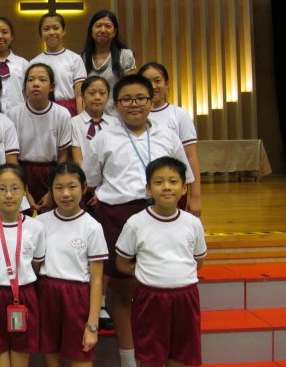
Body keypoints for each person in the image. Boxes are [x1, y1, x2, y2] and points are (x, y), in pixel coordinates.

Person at [82, 74, 194, 367]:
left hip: (160, 215)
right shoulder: (103, 138)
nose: (134, 104)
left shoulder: (168, 136)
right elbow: (90, 179)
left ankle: (159, 354)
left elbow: (184, 176)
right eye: (126, 99)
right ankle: (129, 360)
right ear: (116, 105)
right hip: (117, 216)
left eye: (140, 98)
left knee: (154, 287)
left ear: (151, 101)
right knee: (122, 289)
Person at [116, 157, 207, 367]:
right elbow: (122, 263)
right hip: (150, 299)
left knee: (182, 356)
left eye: (173, 182)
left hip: (186, 298)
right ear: (148, 189)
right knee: (150, 358)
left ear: (184, 188)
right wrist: (149, 272)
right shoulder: (135, 224)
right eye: (158, 182)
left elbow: (198, 262)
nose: (166, 187)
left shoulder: (193, 224)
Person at [37, 162, 108, 367]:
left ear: (84, 188)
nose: (65, 194)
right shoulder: (40, 223)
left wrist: (92, 324)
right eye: (59, 187)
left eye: (72, 186)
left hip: (77, 299)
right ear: (51, 190)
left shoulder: (92, 227)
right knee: (52, 359)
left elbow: (97, 280)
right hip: (47, 295)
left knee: (81, 357)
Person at [0, 164, 45, 367]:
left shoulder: (36, 227)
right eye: (1, 189)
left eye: (15, 188)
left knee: (21, 358)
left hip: (24, 295)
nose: (8, 195)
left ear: (24, 191)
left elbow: (36, 264)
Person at [70, 75, 115, 328]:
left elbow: (116, 160)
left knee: (103, 243)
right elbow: (77, 158)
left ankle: (103, 301)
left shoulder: (116, 123)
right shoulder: (74, 123)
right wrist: (86, 188)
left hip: (108, 189)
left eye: (102, 93)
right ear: (82, 96)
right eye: (91, 93)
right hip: (83, 188)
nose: (97, 97)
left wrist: (105, 189)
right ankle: (83, 297)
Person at [137, 61, 202, 217]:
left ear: (167, 84)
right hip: (139, 191)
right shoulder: (132, 115)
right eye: (147, 81)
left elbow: (191, 157)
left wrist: (195, 196)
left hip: (171, 188)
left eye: (157, 80)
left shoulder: (179, 115)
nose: (153, 86)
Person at [8, 63, 72, 213]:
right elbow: (11, 157)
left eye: (42, 80)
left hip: (52, 173)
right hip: (22, 173)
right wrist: (24, 191)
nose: (36, 84)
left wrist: (52, 191)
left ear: (52, 87)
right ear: (24, 87)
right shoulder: (13, 114)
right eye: (31, 80)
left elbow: (63, 156)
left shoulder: (62, 114)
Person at [30, 13, 87, 117]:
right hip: (43, 109)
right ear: (41, 33)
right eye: (46, 29)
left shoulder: (74, 59)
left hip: (70, 109)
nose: (51, 32)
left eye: (56, 28)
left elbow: (79, 94)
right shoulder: (35, 62)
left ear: (64, 31)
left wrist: (80, 120)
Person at [81, 10, 136, 115]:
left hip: (117, 115)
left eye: (108, 26)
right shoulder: (81, 58)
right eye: (98, 26)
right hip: (90, 115)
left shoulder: (125, 55)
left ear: (114, 31)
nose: (102, 30)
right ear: (91, 30)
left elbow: (131, 88)